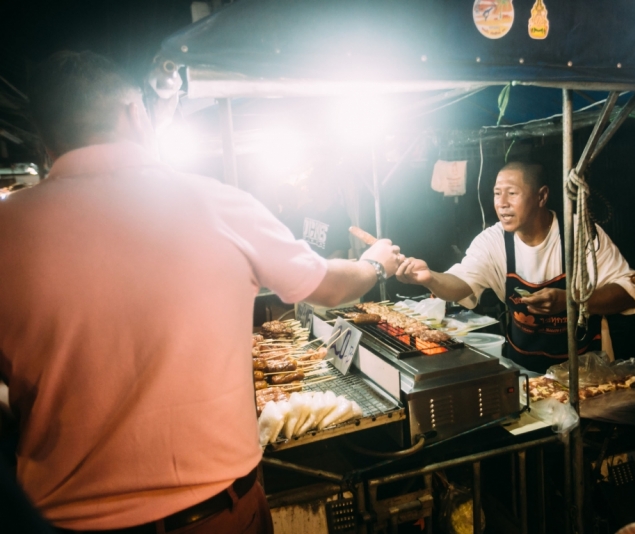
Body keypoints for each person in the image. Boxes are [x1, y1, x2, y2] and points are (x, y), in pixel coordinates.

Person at [0, 51, 404, 534]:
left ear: (45, 138)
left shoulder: (8, 230)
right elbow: (330, 286)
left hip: (61, 519)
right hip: (216, 517)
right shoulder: (217, 203)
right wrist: (375, 262)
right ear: (135, 112)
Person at [396, 161, 635, 373]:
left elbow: (628, 293)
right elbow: (460, 284)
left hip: (584, 372)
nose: (502, 203)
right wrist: (429, 278)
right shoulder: (492, 241)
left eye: (512, 193)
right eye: (496, 193)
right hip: (524, 368)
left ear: (541, 196)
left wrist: (572, 301)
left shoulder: (580, 234)